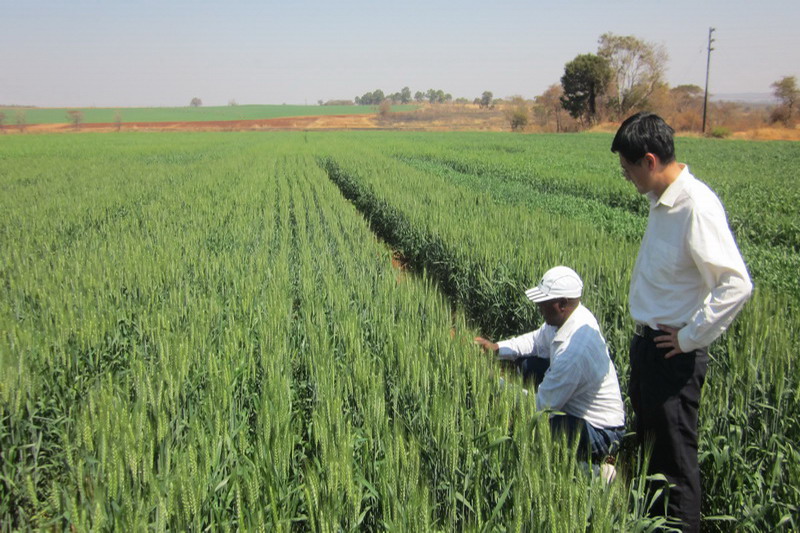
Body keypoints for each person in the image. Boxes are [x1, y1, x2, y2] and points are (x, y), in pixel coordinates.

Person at [611, 112, 753, 532]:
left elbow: (736, 284)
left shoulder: (696, 206)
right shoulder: (662, 201)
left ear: (650, 161)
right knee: (651, 454)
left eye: (628, 168)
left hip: (672, 358)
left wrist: (690, 337)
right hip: (649, 348)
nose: (626, 176)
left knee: (674, 466)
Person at [474, 266, 626, 474]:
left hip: (600, 432)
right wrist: (497, 348)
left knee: (536, 428)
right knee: (528, 365)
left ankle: (593, 473)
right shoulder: (570, 317)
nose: (538, 306)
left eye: (543, 301)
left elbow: (540, 407)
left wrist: (495, 384)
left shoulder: (575, 352)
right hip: (577, 404)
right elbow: (535, 341)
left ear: (562, 304)